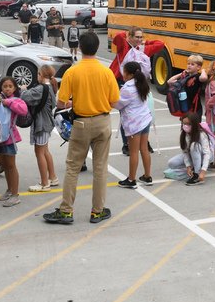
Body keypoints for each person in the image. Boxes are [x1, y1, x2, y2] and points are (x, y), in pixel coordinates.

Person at [43, 30, 120, 226]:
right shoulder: (106, 71)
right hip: (103, 121)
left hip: (81, 123)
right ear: (96, 47)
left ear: (80, 47)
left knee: (73, 168)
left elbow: (60, 103)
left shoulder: (72, 72)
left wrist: (73, 103)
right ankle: (97, 211)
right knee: (100, 169)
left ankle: (66, 210)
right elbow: (114, 101)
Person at [110, 27, 153, 155]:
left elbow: (160, 44)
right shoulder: (124, 46)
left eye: (141, 37)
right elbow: (117, 37)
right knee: (125, 113)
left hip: (139, 83)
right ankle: (127, 144)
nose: (139, 40)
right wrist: (127, 35)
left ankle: (144, 141)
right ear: (130, 37)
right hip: (122, 81)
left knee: (143, 111)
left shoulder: (143, 49)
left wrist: (146, 43)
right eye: (137, 37)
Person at [0, 76, 28, 206]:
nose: (8, 89)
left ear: (15, 88)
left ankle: (15, 195)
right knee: (5, 166)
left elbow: (23, 110)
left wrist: (8, 103)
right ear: (1, 88)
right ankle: (9, 190)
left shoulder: (15, 100)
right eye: (5, 86)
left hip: (9, 138)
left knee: (11, 166)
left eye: (10, 86)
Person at [115, 61, 153, 189]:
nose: (122, 74)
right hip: (145, 119)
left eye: (124, 72)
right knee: (144, 149)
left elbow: (118, 104)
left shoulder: (127, 88)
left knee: (133, 152)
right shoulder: (142, 84)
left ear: (129, 74)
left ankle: (131, 180)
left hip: (134, 123)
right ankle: (147, 176)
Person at [23, 65, 59, 193]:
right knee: (45, 151)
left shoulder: (41, 89)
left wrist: (23, 89)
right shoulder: (51, 87)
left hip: (42, 124)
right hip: (47, 124)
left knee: (39, 153)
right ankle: (52, 177)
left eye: (38, 74)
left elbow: (25, 97)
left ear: (42, 75)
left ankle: (44, 183)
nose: (37, 76)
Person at [166, 111, 213, 186]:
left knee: (194, 145)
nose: (185, 126)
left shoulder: (201, 134)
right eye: (184, 123)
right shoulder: (184, 134)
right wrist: (188, 166)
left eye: (188, 124)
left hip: (203, 156)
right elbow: (185, 152)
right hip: (192, 155)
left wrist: (203, 171)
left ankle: (197, 174)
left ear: (194, 124)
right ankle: (192, 169)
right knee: (171, 163)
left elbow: (207, 153)